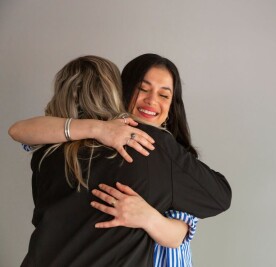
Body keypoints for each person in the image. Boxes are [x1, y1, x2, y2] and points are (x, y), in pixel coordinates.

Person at [9, 55, 231, 267]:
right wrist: (99, 128)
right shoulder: (63, 138)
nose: (151, 100)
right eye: (142, 89)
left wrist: (148, 218)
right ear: (120, 91)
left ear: (172, 106)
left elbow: (179, 234)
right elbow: (19, 131)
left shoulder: (170, 154)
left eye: (164, 95)